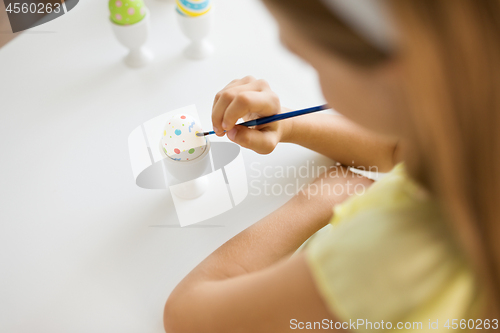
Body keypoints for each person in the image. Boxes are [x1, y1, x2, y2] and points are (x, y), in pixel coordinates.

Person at [163, 0, 500, 332]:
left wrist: (315, 203)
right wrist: (289, 127)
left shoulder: (389, 259)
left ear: (393, 72)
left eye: (312, 62)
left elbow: (188, 316)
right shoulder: (477, 120)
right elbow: (397, 147)